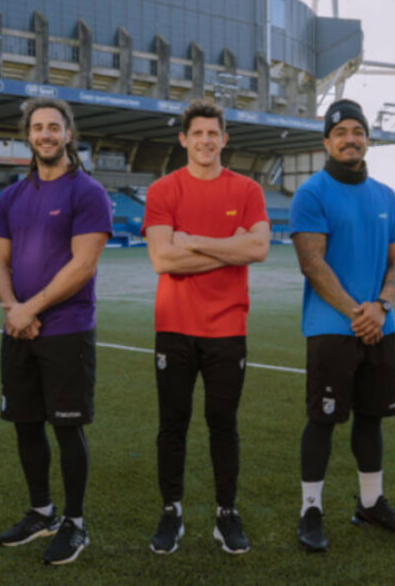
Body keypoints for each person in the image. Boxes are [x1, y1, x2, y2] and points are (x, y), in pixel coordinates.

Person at [288, 99, 395, 552]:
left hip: (381, 324)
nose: (350, 138)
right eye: (340, 131)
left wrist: (380, 306)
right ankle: (310, 510)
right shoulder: (312, 192)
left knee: (372, 418)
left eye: (357, 131)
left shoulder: (385, 196)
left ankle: (370, 504)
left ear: (367, 139)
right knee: (322, 420)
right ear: (326, 141)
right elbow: (312, 262)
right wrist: (356, 312)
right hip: (332, 327)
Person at [142, 100, 270, 554]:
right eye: (197, 134)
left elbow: (258, 250)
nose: (205, 141)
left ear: (224, 139)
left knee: (223, 424)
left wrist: (193, 241)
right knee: (172, 424)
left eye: (212, 133)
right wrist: (226, 247)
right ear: (184, 140)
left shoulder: (247, 190)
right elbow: (162, 258)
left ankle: (226, 513)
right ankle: (171, 511)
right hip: (174, 327)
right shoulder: (162, 191)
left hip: (227, 328)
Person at [0, 97, 112, 565]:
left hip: (66, 329)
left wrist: (30, 308)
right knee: (25, 423)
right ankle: (41, 512)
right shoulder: (11, 198)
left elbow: (83, 266)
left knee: (66, 429)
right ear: (28, 136)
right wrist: (11, 308)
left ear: (68, 134)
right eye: (37, 127)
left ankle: (75, 524)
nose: (45, 134)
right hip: (18, 329)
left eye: (53, 127)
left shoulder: (87, 193)